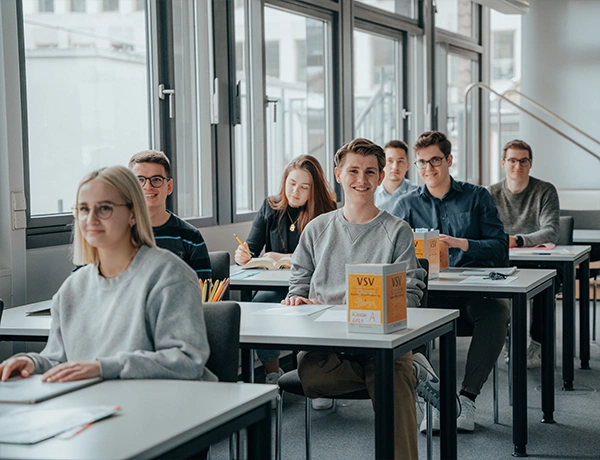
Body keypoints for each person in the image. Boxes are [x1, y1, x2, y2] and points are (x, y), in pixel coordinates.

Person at [283, 138, 435, 460]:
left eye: (369, 172)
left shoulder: (398, 231)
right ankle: (412, 374)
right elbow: (297, 284)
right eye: (353, 171)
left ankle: (404, 377)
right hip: (325, 345)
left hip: (379, 341)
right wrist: (297, 300)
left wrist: (358, 310)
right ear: (338, 174)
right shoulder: (316, 229)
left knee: (391, 371)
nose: (361, 180)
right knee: (311, 376)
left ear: (381, 177)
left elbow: (410, 293)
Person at [0, 166, 216, 383]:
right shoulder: (72, 287)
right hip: (96, 405)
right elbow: (60, 360)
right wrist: (32, 363)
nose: (91, 219)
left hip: (163, 407)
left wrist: (104, 367)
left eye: (104, 208)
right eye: (83, 209)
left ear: (133, 214)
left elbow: (187, 360)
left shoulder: (169, 276)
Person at [392, 130, 510, 433]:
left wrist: (460, 243)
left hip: (472, 294)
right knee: (400, 311)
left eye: (435, 161)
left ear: (449, 160)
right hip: (429, 295)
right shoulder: (405, 205)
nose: (428, 169)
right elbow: (388, 251)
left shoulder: (477, 195)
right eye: (421, 163)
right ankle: (435, 400)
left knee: (497, 312)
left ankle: (466, 399)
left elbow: (500, 247)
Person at [234, 155, 337, 386]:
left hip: (312, 287)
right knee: (259, 303)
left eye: (304, 187)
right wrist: (242, 256)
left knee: (310, 311)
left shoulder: (326, 212)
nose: (295, 191)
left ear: (314, 189)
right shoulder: (269, 207)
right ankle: (273, 373)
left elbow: (325, 257)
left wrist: (282, 257)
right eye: (291, 184)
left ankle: (317, 376)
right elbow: (251, 247)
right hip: (274, 287)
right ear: (284, 182)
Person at [489, 139, 560, 368]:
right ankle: (510, 341)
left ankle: (537, 345)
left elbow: (550, 231)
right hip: (502, 260)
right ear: (503, 162)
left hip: (539, 262)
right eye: (512, 160)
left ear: (530, 163)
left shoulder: (544, 190)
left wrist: (517, 240)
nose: (517, 166)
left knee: (544, 284)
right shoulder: (490, 193)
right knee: (500, 289)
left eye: (523, 161)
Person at [129, 150, 212, 281]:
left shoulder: (190, 237)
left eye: (156, 179)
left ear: (169, 187)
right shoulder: (117, 234)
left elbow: (202, 294)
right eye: (140, 180)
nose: (148, 186)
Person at [374, 140, 418, 212]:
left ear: (407, 165)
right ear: (382, 164)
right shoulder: (371, 193)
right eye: (390, 161)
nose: (395, 167)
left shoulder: (417, 194)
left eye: (400, 161)